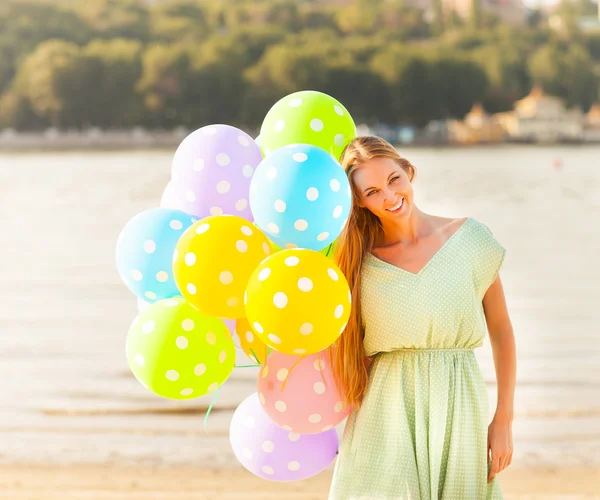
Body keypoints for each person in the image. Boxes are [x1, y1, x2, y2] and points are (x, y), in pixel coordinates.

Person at [328, 136, 516, 499]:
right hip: (385, 416)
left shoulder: (470, 239)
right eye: (372, 192)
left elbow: (501, 329)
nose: (389, 196)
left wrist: (503, 418)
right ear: (360, 202)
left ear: (408, 171)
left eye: (393, 180)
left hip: (459, 407)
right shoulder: (356, 264)